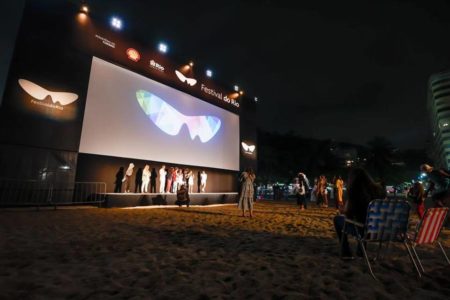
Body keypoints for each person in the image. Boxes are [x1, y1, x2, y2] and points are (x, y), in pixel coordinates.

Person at [333, 168, 386, 258]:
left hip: (364, 230)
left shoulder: (354, 192)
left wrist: (343, 211)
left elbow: (349, 215)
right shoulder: (378, 190)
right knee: (366, 220)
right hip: (381, 230)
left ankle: (345, 250)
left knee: (338, 219)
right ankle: (361, 250)